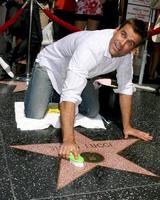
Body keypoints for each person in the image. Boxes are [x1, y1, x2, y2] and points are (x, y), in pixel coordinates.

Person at [24, 18, 153, 160]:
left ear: (133, 49)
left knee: (92, 111)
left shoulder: (126, 55)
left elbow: (126, 88)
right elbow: (70, 94)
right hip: (50, 65)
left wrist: (127, 126)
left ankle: (55, 93)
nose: (122, 44)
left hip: (80, 73)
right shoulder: (91, 46)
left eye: (130, 43)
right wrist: (68, 140)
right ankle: (44, 87)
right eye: (123, 34)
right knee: (34, 113)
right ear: (116, 30)